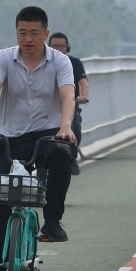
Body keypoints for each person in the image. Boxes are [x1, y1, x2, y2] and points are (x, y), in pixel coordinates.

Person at [0, 6, 77, 271]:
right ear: (16, 32)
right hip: (8, 136)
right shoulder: (4, 57)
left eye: (33, 33)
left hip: (47, 134)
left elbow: (68, 95)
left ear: (45, 33)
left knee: (61, 156)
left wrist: (66, 126)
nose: (27, 39)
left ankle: (52, 222)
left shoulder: (60, 62)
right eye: (22, 33)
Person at [48, 32, 89, 174]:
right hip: (47, 108)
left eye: (61, 46)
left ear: (67, 48)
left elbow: (83, 82)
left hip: (70, 106)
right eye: (55, 46)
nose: (58, 49)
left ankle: (73, 158)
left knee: (75, 127)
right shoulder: (44, 63)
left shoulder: (75, 63)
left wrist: (83, 96)